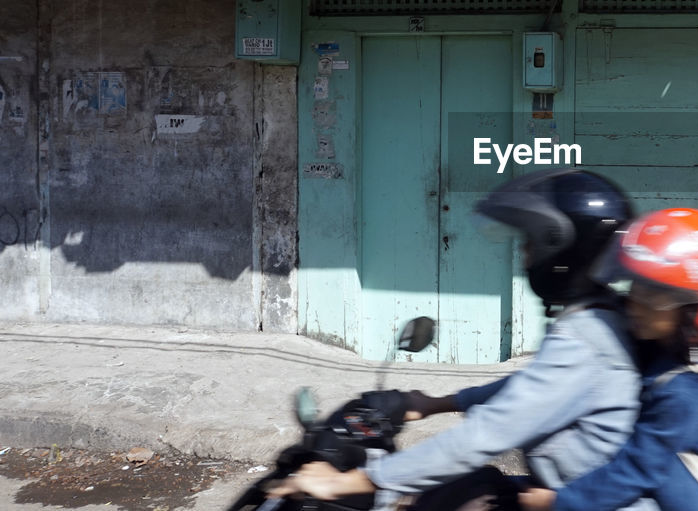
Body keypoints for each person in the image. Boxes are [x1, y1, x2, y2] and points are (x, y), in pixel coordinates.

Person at [271, 168, 652, 511]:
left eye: (531, 243)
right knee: (452, 494)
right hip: (569, 493)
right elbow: (534, 388)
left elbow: (484, 435)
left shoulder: (584, 338)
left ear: (562, 248)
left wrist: (355, 480)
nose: (523, 255)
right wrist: (438, 402)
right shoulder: (601, 317)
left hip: (581, 501)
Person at [518, 207, 698, 511]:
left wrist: (557, 502)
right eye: (635, 287)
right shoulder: (662, 356)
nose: (635, 304)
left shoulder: (688, 390)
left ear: (694, 308)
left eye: (655, 296)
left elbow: (636, 470)